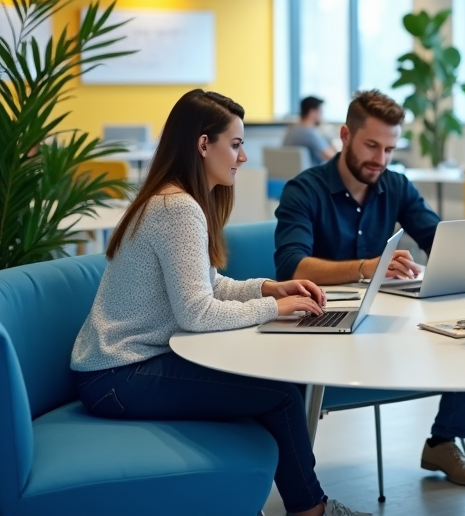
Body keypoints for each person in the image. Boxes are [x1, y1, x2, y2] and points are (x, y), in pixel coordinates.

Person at [71, 89, 366, 516]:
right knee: (282, 392)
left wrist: (269, 288)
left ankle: (299, 502)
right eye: (237, 144)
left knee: (278, 382)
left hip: (121, 369)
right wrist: (274, 309)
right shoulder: (176, 208)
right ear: (203, 144)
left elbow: (208, 286)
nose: (243, 157)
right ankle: (312, 511)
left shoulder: (177, 200)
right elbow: (197, 313)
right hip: (117, 376)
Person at [274, 89, 465, 487]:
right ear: (345, 135)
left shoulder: (396, 185)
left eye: (390, 149)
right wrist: (366, 267)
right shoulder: (303, 191)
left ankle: (443, 441)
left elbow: (438, 240)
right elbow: (292, 265)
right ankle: (303, 489)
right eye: (372, 145)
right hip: (324, 325)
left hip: (382, 321)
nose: (380, 159)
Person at [283, 95, 335, 164]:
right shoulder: (309, 134)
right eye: (320, 112)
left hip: (289, 173)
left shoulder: (291, 130)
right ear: (312, 112)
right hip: (310, 173)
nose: (322, 116)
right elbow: (333, 158)